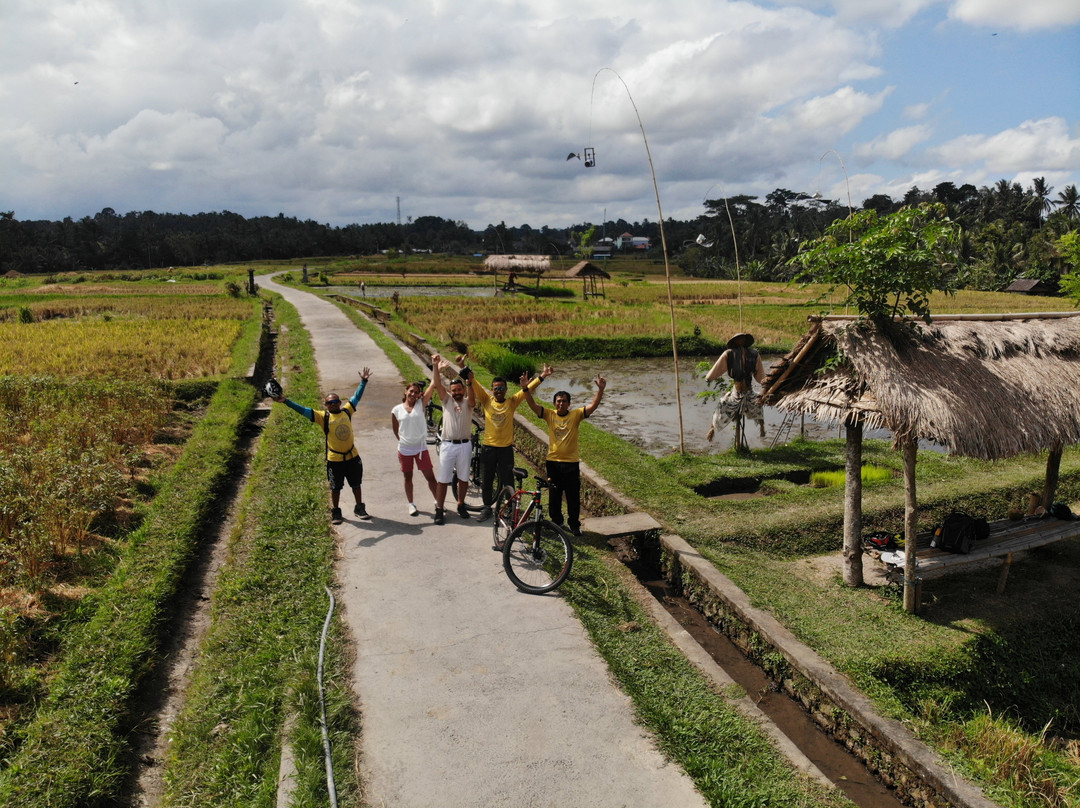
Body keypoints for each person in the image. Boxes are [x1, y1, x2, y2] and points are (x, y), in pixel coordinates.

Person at [272, 369, 372, 525]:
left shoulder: (347, 411)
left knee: (356, 484)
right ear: (326, 405)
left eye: (336, 401)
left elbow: (356, 397)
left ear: (340, 403)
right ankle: (336, 511)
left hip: (352, 457)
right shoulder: (322, 417)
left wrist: (363, 382)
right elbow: (303, 410)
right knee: (335, 487)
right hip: (335, 460)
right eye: (330, 403)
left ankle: (359, 507)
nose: (333, 404)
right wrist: (286, 401)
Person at [468, 357, 553, 520]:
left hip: (505, 450)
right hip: (489, 448)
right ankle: (487, 507)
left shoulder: (512, 402)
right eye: (496, 388)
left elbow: (527, 389)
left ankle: (509, 509)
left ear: (506, 390)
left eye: (501, 388)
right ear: (492, 390)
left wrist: (543, 376)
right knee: (487, 479)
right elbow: (474, 382)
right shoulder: (486, 400)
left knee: (508, 481)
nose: (499, 391)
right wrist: (466, 373)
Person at [520, 374, 606, 537]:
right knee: (555, 495)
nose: (561, 404)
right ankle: (556, 522)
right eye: (559, 401)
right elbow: (532, 405)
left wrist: (600, 390)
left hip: (571, 464)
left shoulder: (576, 415)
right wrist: (525, 388)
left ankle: (574, 525)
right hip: (553, 462)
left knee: (573, 496)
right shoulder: (549, 414)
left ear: (569, 404)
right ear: (554, 403)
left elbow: (593, 406)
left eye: (564, 401)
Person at [429, 354, 476, 525]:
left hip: (465, 445)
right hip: (448, 445)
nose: (456, 393)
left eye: (459, 390)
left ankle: (461, 504)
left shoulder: (468, 403)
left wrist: (469, 382)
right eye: (454, 390)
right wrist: (436, 367)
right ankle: (439, 508)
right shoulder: (446, 400)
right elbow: (437, 384)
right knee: (443, 479)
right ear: (450, 391)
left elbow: (473, 398)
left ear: (463, 390)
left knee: (463, 478)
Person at [705, 332, 766, 442]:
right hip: (736, 392)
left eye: (743, 339)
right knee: (722, 405)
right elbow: (718, 367)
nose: (741, 341)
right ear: (735, 341)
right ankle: (712, 429)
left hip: (749, 390)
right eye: (739, 339)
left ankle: (762, 428)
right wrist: (709, 377)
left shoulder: (754, 354)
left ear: (746, 341)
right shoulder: (729, 354)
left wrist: (765, 382)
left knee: (758, 404)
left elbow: (760, 373)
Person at [391, 378, 439, 517]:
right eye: (411, 391)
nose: (413, 394)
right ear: (405, 392)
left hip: (421, 449)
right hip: (405, 449)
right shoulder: (396, 410)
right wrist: (404, 441)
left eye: (416, 392)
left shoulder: (421, 404)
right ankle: (411, 504)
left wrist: (437, 368)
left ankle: (438, 501)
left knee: (430, 477)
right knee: (408, 477)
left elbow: (432, 385)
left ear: (419, 395)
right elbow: (396, 430)